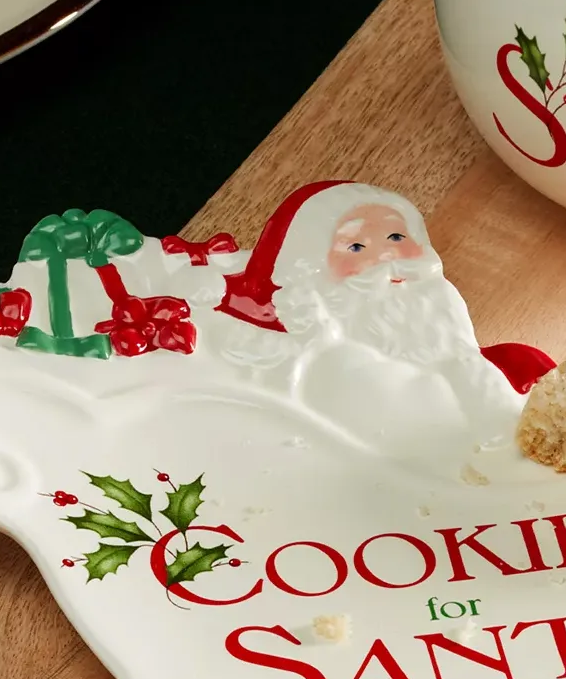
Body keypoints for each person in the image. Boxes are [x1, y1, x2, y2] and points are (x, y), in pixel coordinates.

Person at [200, 181, 544, 466]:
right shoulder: (329, 359)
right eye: (356, 245)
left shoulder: (447, 323)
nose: (386, 256)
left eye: (397, 237)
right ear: (310, 269)